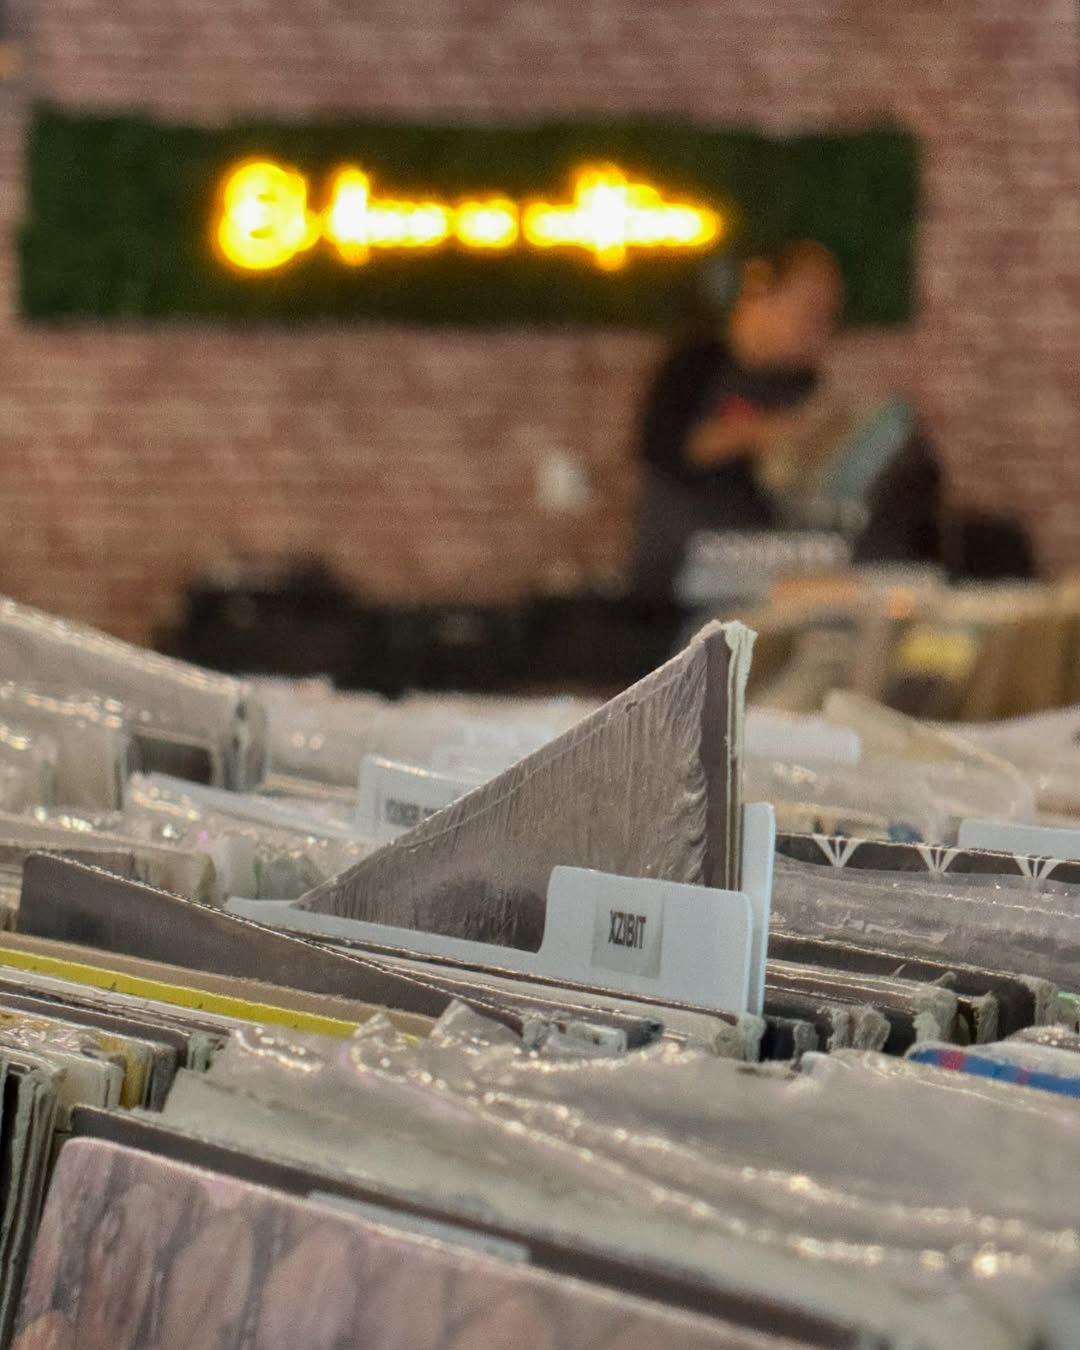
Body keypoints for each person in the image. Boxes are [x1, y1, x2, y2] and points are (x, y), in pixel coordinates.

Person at [628, 241, 944, 597]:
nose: (822, 333)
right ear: (764, 298)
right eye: (811, 315)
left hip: (764, 571)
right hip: (678, 573)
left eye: (829, 318)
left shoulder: (801, 384)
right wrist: (758, 434)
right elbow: (661, 448)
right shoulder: (696, 362)